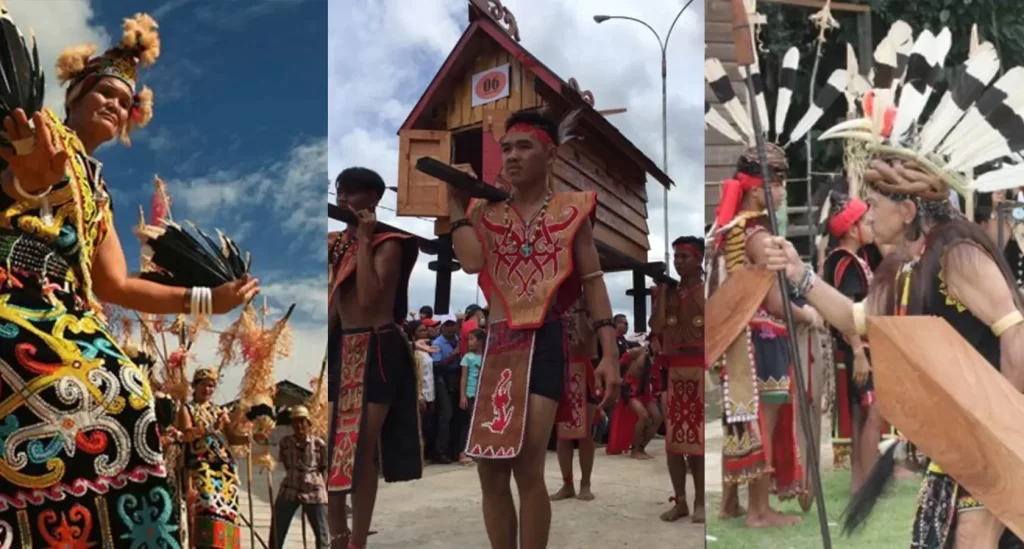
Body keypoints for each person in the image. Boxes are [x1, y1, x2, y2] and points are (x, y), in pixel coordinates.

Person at [0, 12, 258, 547]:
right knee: (85, 388)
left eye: (125, 102)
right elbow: (15, 175)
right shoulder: (34, 129)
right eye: (106, 93)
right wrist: (24, 183)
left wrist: (212, 297)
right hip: (10, 293)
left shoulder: (97, 186)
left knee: (130, 395)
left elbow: (116, 283)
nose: (116, 105)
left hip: (66, 313)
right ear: (74, 95)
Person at [763, 89, 1024, 548]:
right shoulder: (906, 270)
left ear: (907, 211)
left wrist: (1003, 445)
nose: (866, 213)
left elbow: (1017, 338)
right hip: (956, 451)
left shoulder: (957, 256)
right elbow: (854, 317)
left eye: (875, 205)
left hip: (990, 449)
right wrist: (797, 272)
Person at [446, 108, 621, 549]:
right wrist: (453, 203)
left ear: (550, 153)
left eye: (524, 146)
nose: (512, 156)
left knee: (526, 464)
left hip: (545, 337)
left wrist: (610, 354)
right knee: (489, 468)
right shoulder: (482, 212)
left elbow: (594, 282)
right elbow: (470, 262)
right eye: (506, 148)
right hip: (499, 344)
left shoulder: (572, 209)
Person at [706, 145, 820, 528]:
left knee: (738, 421)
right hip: (760, 339)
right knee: (761, 422)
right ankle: (759, 511)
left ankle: (729, 504)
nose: (783, 191)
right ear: (758, 189)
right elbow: (772, 298)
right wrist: (809, 314)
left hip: (735, 338)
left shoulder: (727, 229)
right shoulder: (757, 232)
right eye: (779, 182)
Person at [327, 167, 422, 549]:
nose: (343, 200)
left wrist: (364, 241)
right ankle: (338, 537)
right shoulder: (333, 243)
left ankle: (357, 541)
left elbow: (368, 299)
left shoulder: (390, 242)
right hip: (342, 347)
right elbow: (334, 305)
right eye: (339, 193)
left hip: (378, 348)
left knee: (359, 448)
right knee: (337, 445)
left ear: (373, 199)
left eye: (351, 193)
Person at [815, 185, 885, 493]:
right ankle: (864, 480)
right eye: (867, 223)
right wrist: (857, 350)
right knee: (867, 413)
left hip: (859, 350)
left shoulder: (850, 260)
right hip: (856, 350)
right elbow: (845, 312)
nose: (872, 228)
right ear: (853, 230)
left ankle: (863, 479)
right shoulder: (845, 262)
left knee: (863, 413)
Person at [649, 236, 706, 523]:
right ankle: (680, 501)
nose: (679, 261)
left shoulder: (707, 291)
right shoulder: (666, 293)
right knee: (674, 441)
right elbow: (656, 327)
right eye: (676, 256)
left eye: (684, 256)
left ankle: (701, 502)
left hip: (700, 371)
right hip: (674, 372)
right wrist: (661, 293)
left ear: (699, 260)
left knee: (698, 443)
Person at [177, 368, 251, 548]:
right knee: (207, 503)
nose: (208, 389)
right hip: (201, 465)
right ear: (195, 386)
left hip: (224, 468)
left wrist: (253, 437)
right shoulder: (186, 409)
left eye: (211, 386)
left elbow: (232, 438)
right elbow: (187, 434)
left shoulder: (219, 411)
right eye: (204, 385)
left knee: (228, 510)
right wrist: (210, 428)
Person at [550, 297, 600, 502]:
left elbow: (588, 346)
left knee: (585, 434)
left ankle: (585, 484)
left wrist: (579, 309)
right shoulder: (554, 305)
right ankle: (567, 484)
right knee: (562, 435)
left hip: (582, 374)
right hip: (559, 372)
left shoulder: (587, 307)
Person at [273, 405, 330, 549]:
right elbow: (286, 464)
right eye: (295, 421)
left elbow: (323, 467)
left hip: (314, 489)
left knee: (322, 532)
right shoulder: (285, 443)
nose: (299, 425)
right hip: (290, 487)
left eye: (302, 421)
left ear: (308, 423)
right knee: (277, 529)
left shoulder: (319, 444)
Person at [407, 320, 438, 461]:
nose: (424, 332)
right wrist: (419, 395)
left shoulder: (426, 351)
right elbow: (416, 377)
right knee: (420, 427)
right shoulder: (415, 353)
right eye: (420, 331)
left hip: (431, 392)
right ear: (413, 335)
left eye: (425, 330)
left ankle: (425, 454)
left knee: (428, 426)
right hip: (422, 394)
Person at [431, 319, 461, 464]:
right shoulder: (437, 343)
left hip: (458, 378)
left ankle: (453, 450)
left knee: (457, 415)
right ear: (443, 328)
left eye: (452, 327)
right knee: (445, 415)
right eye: (447, 328)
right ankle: (440, 452)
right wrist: (452, 355)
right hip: (443, 379)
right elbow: (437, 366)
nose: (450, 330)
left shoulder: (459, 339)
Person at [458, 327, 486, 464]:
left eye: (472, 339)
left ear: (480, 341)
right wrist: (462, 396)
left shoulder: (487, 356)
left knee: (480, 423)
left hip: (483, 394)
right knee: (469, 423)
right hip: (471, 393)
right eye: (468, 339)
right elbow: (463, 377)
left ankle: (476, 449)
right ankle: (463, 452)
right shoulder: (467, 357)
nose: (469, 342)